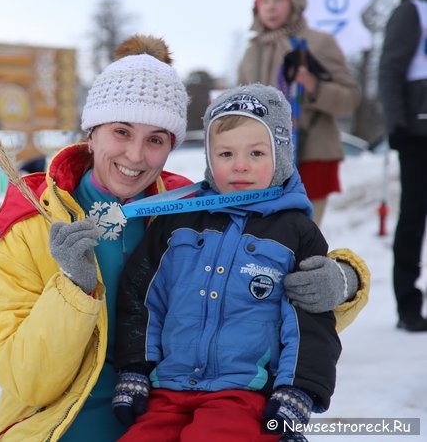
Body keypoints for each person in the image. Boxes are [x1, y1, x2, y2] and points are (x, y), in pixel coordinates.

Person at [0, 35, 368, 441]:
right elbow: (27, 381)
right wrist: (72, 288)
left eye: (155, 140)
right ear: (91, 133)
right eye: (121, 131)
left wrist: (344, 281)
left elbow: (273, 302)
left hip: (192, 416)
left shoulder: (189, 210)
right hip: (62, 428)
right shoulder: (31, 225)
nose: (135, 155)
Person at [113, 83, 344, 441]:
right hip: (167, 389)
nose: (240, 166)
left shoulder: (295, 232)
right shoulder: (178, 223)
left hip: (243, 394)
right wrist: (135, 368)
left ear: (281, 155)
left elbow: (310, 323)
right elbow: (142, 298)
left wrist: (298, 390)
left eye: (255, 153)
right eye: (224, 155)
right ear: (209, 159)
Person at [237, 0, 361, 227]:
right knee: (262, 235)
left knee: (304, 234)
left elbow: (349, 98)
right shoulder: (251, 53)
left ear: (294, 2)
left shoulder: (319, 43)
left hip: (312, 153)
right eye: (264, 0)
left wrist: (314, 86)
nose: (270, 7)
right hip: (264, 156)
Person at [379, 0, 427, 332]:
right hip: (417, 133)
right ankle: (407, 304)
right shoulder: (413, 11)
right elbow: (390, 68)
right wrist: (396, 123)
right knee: (413, 216)